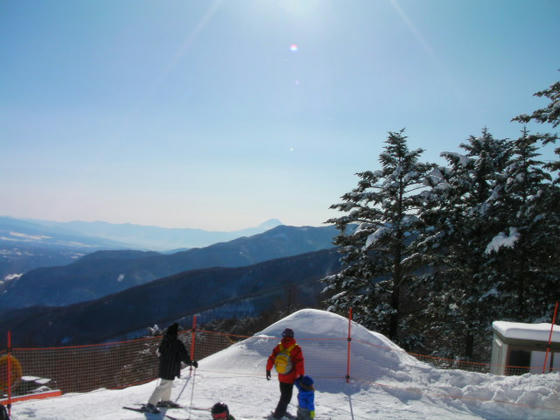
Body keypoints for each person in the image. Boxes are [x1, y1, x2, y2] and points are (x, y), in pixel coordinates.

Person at [145, 323, 198, 413]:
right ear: (175, 333)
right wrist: (192, 362)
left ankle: (165, 401)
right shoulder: (177, 343)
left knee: (167, 384)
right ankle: (151, 404)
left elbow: (159, 353)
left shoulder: (164, 341)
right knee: (164, 385)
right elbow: (184, 356)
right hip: (171, 367)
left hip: (164, 367)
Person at [266, 328, 305, 419]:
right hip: (291, 377)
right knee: (286, 397)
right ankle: (278, 415)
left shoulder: (279, 346)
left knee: (284, 395)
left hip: (281, 376)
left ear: (283, 335)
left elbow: (272, 358)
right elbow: (300, 363)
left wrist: (268, 370)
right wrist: (301, 375)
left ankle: (281, 411)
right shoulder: (296, 348)